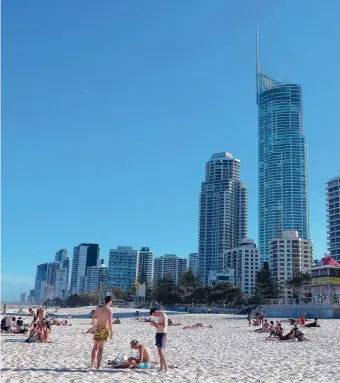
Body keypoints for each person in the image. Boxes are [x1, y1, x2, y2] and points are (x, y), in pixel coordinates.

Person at [91, 295, 113, 370]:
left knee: (95, 347)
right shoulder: (109, 310)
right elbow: (110, 322)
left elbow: (93, 318)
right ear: (110, 301)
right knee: (101, 348)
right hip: (104, 328)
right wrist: (111, 331)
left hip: (97, 328)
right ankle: (98, 366)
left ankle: (92, 365)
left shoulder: (98, 307)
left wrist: (94, 326)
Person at [150, 307, 168, 372]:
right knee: (159, 352)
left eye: (154, 315)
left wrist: (155, 324)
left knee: (160, 352)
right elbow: (159, 326)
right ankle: (161, 368)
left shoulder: (163, 315)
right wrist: (154, 325)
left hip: (162, 334)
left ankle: (166, 368)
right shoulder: (160, 316)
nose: (154, 316)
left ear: (155, 311)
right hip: (158, 334)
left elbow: (164, 326)